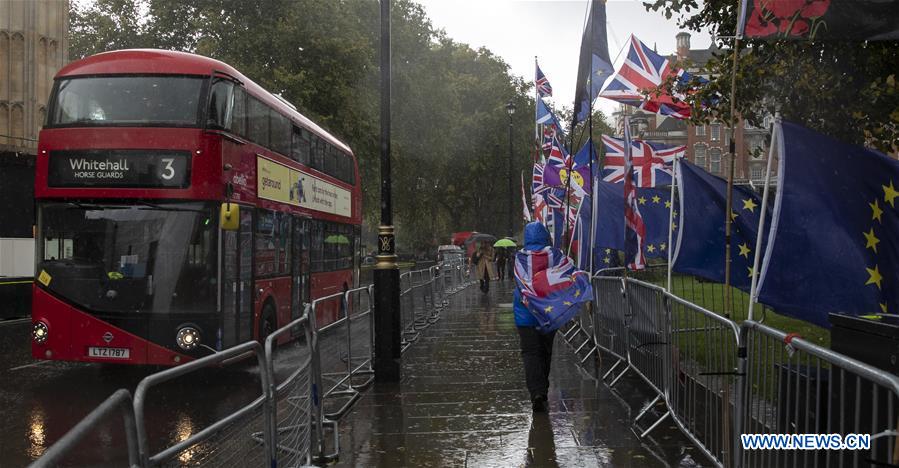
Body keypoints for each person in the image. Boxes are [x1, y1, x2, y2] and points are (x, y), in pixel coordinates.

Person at [512, 222, 591, 412]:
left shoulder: (519, 258)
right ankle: (543, 388)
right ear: (545, 236)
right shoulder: (556, 255)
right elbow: (570, 271)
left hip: (524, 314)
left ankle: (536, 392)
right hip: (549, 311)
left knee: (530, 353)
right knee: (545, 351)